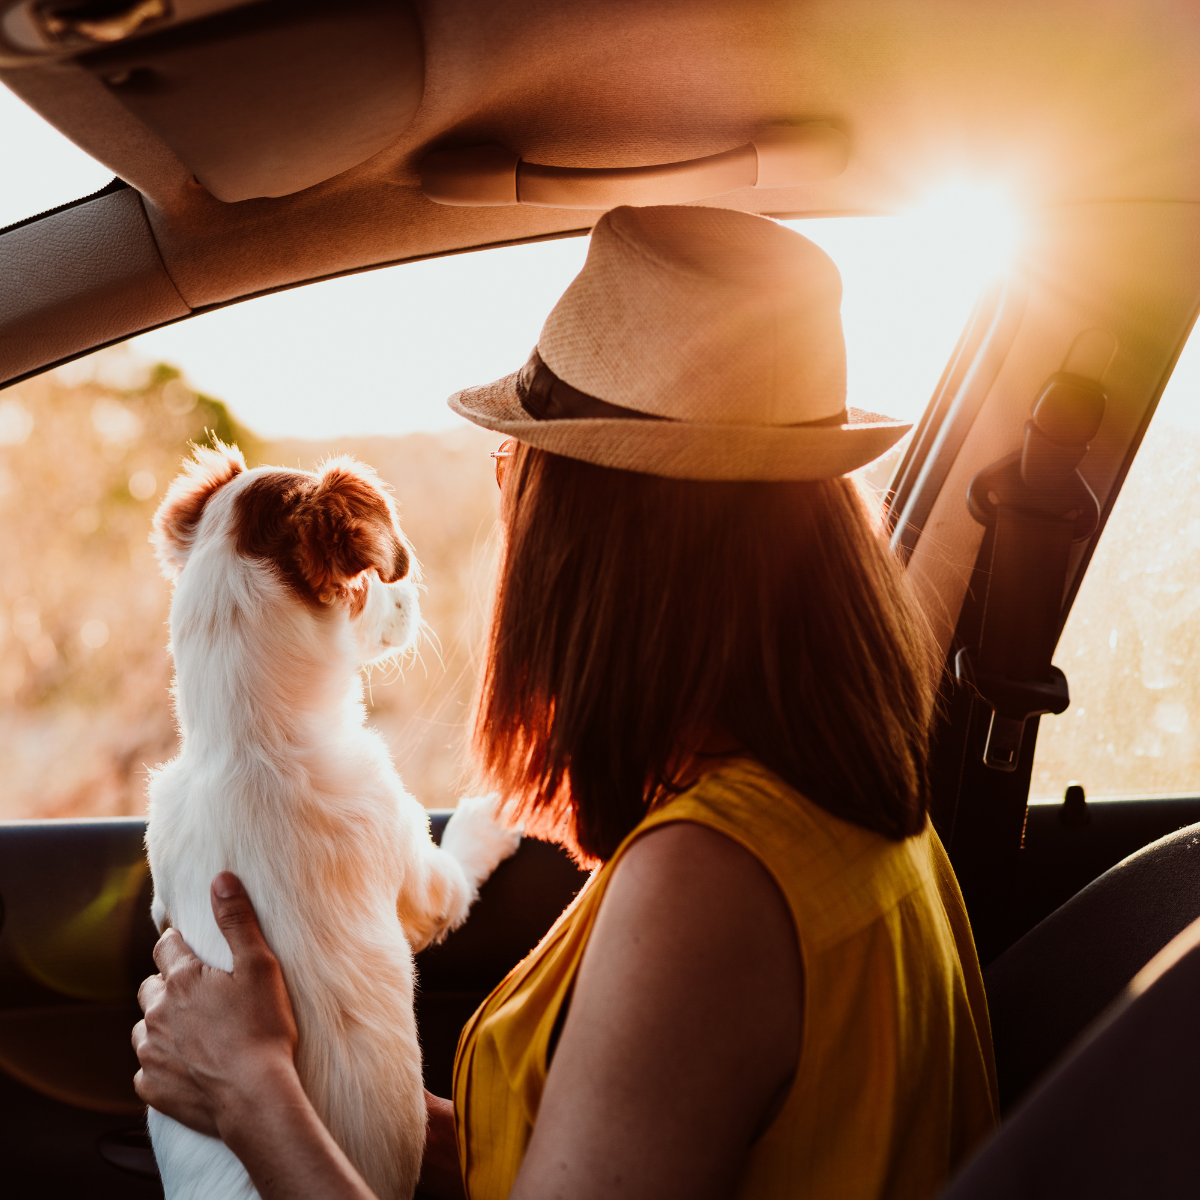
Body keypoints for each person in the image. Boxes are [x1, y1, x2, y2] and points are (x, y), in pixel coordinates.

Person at [133, 205, 999, 1200]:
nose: (506, 500)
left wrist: (253, 1093)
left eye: (516, 465)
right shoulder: (834, 818)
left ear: (593, 537)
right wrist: (344, 1104)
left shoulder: (710, 884)